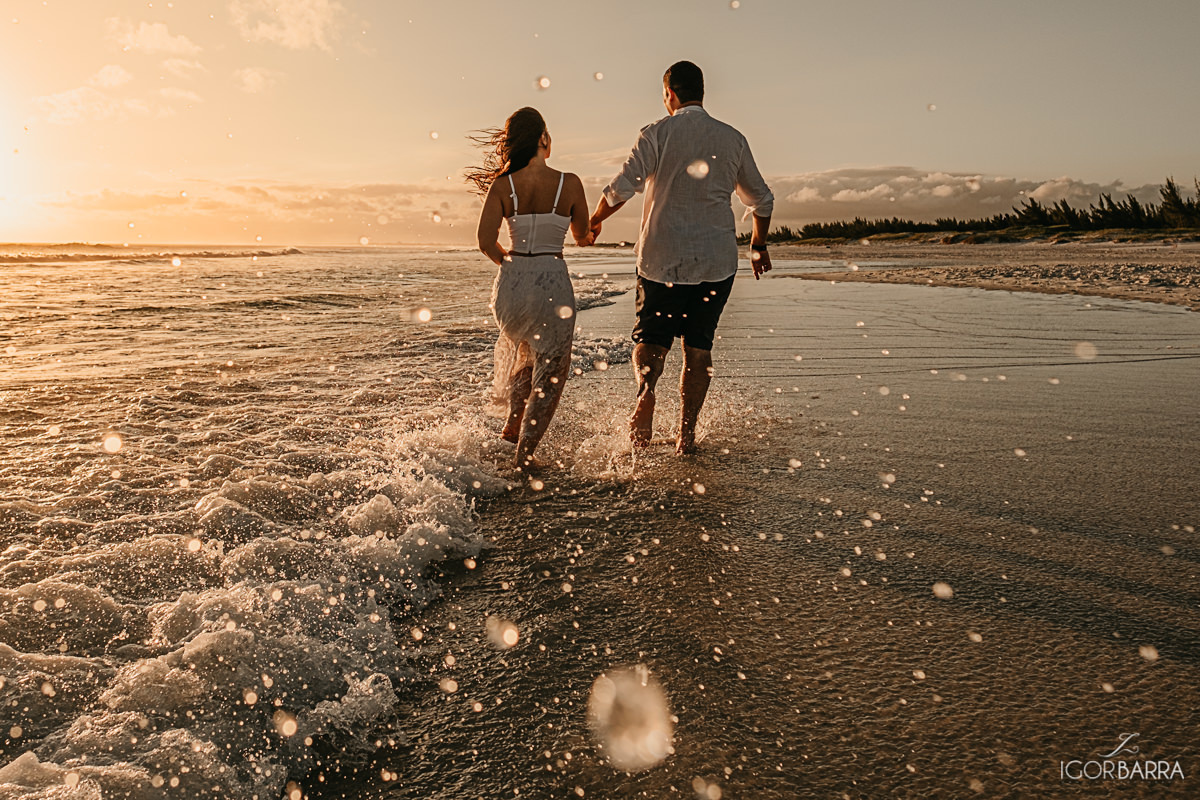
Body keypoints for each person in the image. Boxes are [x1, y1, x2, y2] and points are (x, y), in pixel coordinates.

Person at [589, 60, 774, 454]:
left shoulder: (656, 133)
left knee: (652, 338)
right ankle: (686, 434)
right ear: (701, 93)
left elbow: (623, 186)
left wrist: (594, 220)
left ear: (669, 94)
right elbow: (762, 198)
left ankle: (646, 391)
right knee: (698, 347)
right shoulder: (733, 139)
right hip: (714, 262)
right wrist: (758, 245)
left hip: (661, 259)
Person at [469, 107, 594, 471]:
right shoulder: (568, 183)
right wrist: (589, 234)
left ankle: (513, 420)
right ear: (542, 139)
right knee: (553, 366)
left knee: (524, 346)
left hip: (512, 281)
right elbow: (582, 235)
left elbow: (484, 241)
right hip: (551, 277)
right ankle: (524, 454)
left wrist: (513, 267)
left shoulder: (503, 186)